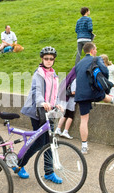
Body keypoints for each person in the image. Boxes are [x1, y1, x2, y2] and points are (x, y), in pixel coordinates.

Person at [20, 46, 63, 183]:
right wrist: (42, 102)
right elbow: (37, 91)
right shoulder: (39, 73)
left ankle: (49, 172)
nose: (49, 61)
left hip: (48, 112)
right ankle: (19, 164)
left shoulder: (54, 75)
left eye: (51, 59)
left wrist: (56, 103)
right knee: (39, 142)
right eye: (46, 59)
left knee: (49, 142)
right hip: (37, 111)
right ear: (42, 59)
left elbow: (53, 93)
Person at [74, 42, 114, 154]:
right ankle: (112, 99)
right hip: (93, 91)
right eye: (96, 49)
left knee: (84, 120)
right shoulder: (96, 59)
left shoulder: (78, 63)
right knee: (103, 95)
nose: (96, 51)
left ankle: (84, 145)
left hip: (81, 94)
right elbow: (105, 71)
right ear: (92, 50)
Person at [55, 67, 77, 139]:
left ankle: (58, 129)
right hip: (70, 99)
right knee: (70, 115)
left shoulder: (67, 77)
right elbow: (73, 92)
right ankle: (65, 131)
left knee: (64, 115)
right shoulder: (75, 79)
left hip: (63, 98)